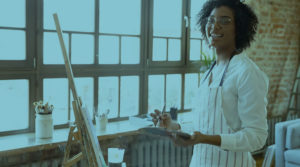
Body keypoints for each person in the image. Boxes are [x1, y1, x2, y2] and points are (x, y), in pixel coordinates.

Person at [150, 0, 269, 166]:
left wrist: (207, 139)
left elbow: (257, 137)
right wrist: (174, 126)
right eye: (211, 20)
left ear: (239, 28)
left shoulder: (247, 72)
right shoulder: (209, 73)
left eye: (225, 21)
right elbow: (204, 124)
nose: (215, 26)